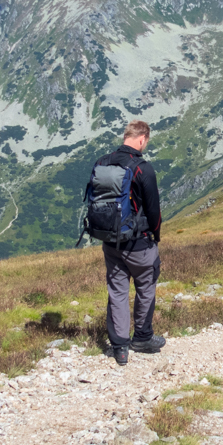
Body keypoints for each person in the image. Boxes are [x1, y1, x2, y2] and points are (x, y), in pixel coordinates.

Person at [93, 120, 165, 365]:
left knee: (117, 291)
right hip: (139, 243)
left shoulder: (102, 162)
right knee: (145, 286)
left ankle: (120, 347)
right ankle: (143, 338)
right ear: (142, 138)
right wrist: (156, 235)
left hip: (110, 242)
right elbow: (154, 210)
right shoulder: (142, 168)